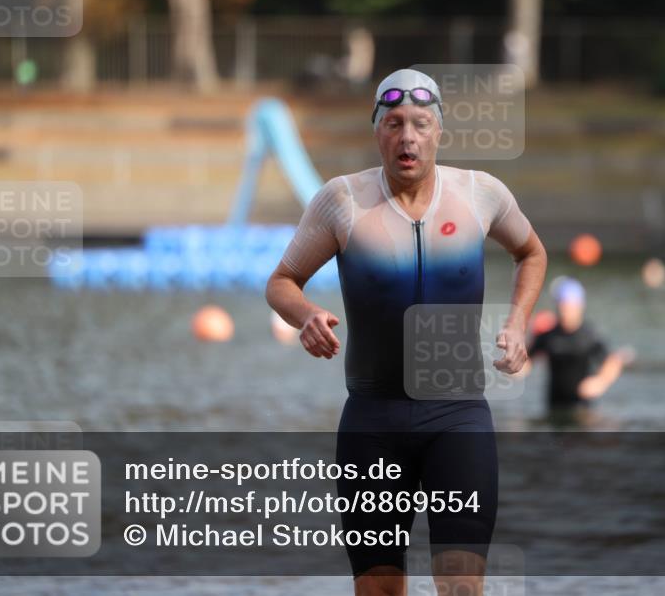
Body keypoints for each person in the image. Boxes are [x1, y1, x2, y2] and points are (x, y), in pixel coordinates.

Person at [266, 68, 547, 596]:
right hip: (373, 421)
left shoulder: (480, 194)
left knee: (462, 585)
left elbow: (531, 252)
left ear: (439, 131)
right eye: (393, 123)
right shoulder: (341, 201)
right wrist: (304, 315)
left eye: (420, 123)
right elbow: (281, 281)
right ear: (377, 132)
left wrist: (516, 324)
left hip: (458, 416)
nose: (407, 137)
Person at [521, 277, 634, 419]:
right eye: (562, 306)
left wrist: (600, 382)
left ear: (580, 306)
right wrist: (512, 367)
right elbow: (526, 362)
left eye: (569, 306)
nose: (565, 311)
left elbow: (613, 361)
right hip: (553, 407)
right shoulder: (548, 335)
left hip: (582, 409)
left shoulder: (590, 335)